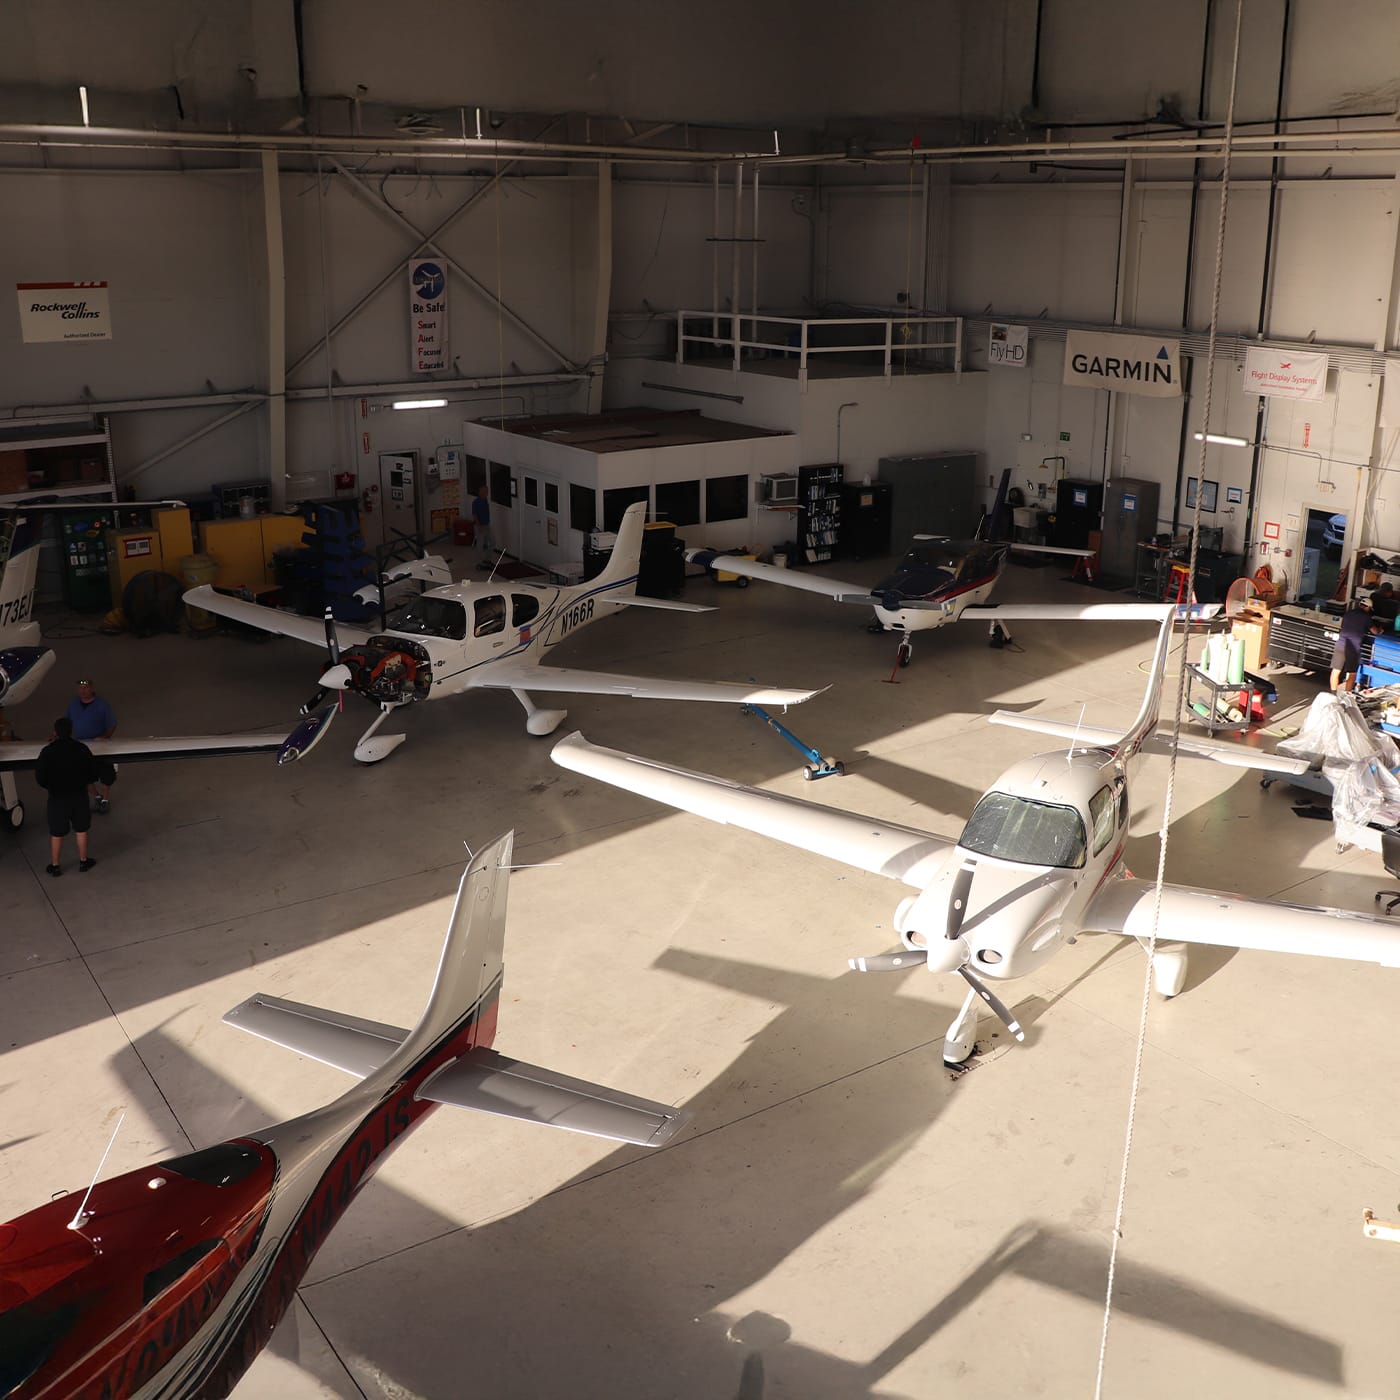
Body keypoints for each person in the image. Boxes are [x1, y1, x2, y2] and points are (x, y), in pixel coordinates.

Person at [35, 716, 97, 875]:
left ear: (55, 732)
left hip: (57, 799)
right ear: (71, 731)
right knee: (81, 830)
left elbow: (40, 778)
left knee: (56, 833)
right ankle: (84, 862)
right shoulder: (82, 748)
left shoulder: (47, 752)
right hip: (79, 797)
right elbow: (92, 773)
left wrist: (52, 787)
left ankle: (55, 866)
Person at [66, 677, 116, 812]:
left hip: (100, 746)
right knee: (83, 775)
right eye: (80, 688)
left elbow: (111, 724)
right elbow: (66, 722)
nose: (82, 690)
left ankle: (105, 799)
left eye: (86, 687)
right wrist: (56, 735)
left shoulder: (102, 705)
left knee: (106, 774)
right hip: (81, 747)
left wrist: (105, 737)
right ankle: (97, 797)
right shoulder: (74, 704)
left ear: (92, 689)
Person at [1330, 603, 1384, 693]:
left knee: (1336, 671)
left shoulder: (1348, 613)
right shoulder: (1366, 617)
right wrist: (1380, 630)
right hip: (1353, 647)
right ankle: (1347, 696)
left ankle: (1333, 693)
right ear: (1368, 607)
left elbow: (1342, 626)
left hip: (1340, 644)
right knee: (1352, 673)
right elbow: (1375, 631)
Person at [471, 484, 497, 570]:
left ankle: (487, 559)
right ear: (480, 492)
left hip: (487, 525)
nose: (486, 493)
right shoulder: (476, 502)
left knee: (492, 542)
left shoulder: (486, 500)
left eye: (487, 492)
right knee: (480, 544)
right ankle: (480, 562)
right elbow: (475, 515)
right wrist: (479, 526)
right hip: (480, 526)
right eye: (484, 491)